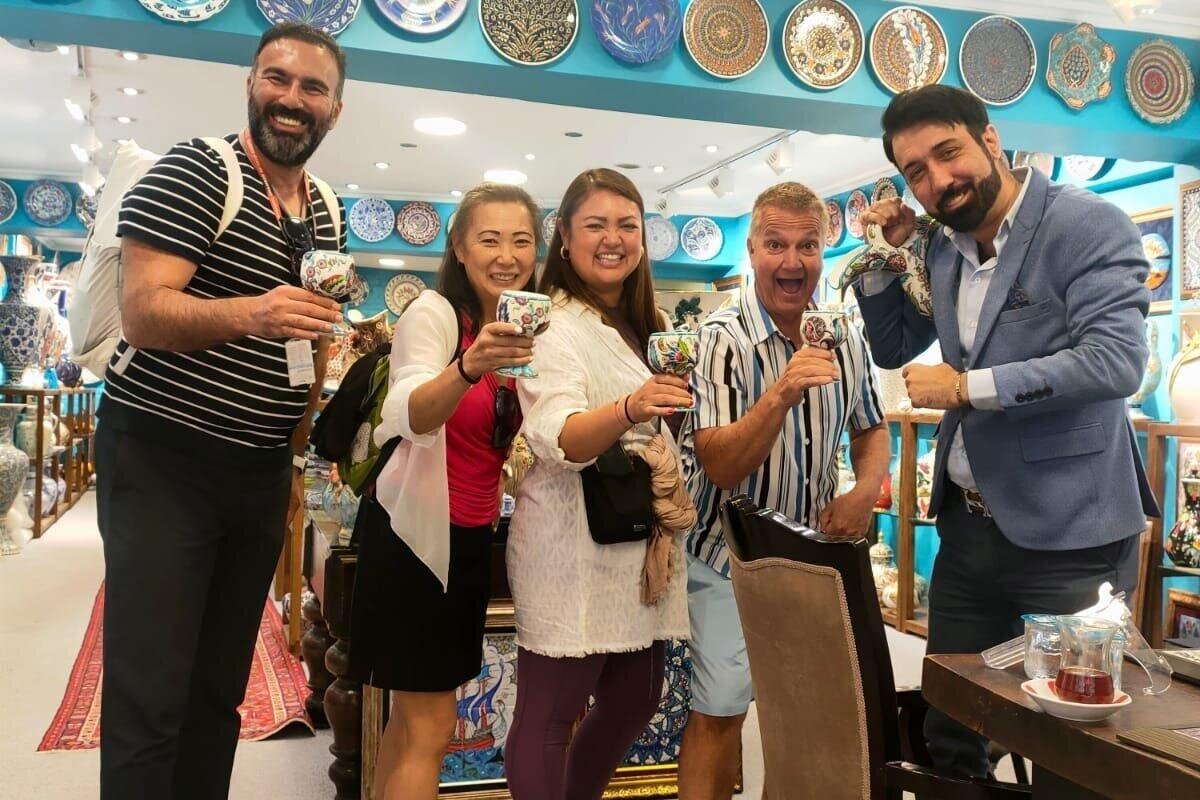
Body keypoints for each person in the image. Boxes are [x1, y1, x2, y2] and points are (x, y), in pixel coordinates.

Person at [853, 84, 1159, 778]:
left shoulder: (1087, 225)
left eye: (948, 153)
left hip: (1071, 537)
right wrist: (881, 252)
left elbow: (1116, 362)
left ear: (990, 139)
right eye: (916, 172)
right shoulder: (944, 247)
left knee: (1071, 746)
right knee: (952, 727)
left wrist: (968, 388)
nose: (938, 180)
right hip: (967, 533)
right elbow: (895, 345)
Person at [96, 23, 348, 799]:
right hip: (162, 458)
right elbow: (144, 314)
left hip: (258, 471)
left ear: (335, 109)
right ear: (250, 83)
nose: (291, 98)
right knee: (151, 695)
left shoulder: (327, 210)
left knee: (217, 693)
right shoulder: (198, 170)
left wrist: (301, 453)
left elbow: (310, 345)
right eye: (277, 78)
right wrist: (254, 313)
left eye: (312, 87)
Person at [676, 182, 890, 799]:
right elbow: (719, 464)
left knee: (807, 721)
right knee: (719, 715)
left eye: (807, 245)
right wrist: (782, 393)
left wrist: (865, 490)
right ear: (751, 250)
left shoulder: (845, 333)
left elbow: (872, 427)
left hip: (812, 561)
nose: (792, 261)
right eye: (776, 245)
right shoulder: (721, 337)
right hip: (728, 561)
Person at [504, 168, 693, 800]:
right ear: (563, 236)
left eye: (627, 225)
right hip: (570, 549)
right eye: (595, 225)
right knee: (551, 714)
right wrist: (630, 409)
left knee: (637, 695)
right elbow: (557, 435)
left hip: (635, 544)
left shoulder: (644, 320)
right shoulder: (552, 325)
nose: (613, 239)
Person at [347, 183, 539, 800]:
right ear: (459, 247)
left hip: (470, 539)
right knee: (430, 725)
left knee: (412, 720)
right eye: (490, 239)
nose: (507, 255)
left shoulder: (520, 329)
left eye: (522, 240)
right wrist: (468, 366)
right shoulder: (435, 314)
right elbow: (409, 412)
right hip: (415, 538)